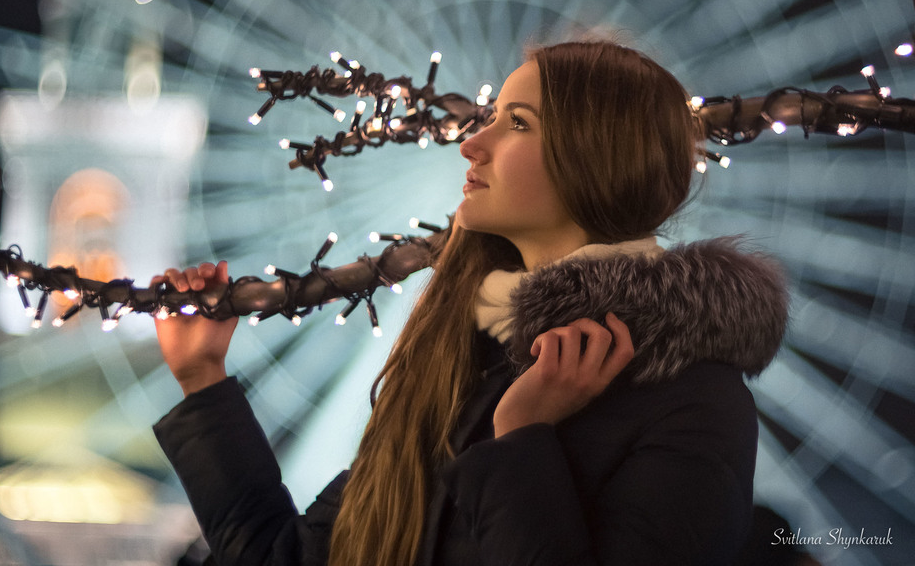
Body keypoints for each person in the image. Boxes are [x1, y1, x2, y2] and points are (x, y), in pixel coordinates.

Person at [152, 39, 789, 566]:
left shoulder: (693, 401)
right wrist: (201, 380)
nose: (470, 144)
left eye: (517, 124)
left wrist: (522, 439)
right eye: (491, 118)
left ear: (597, 158)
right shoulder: (460, 367)